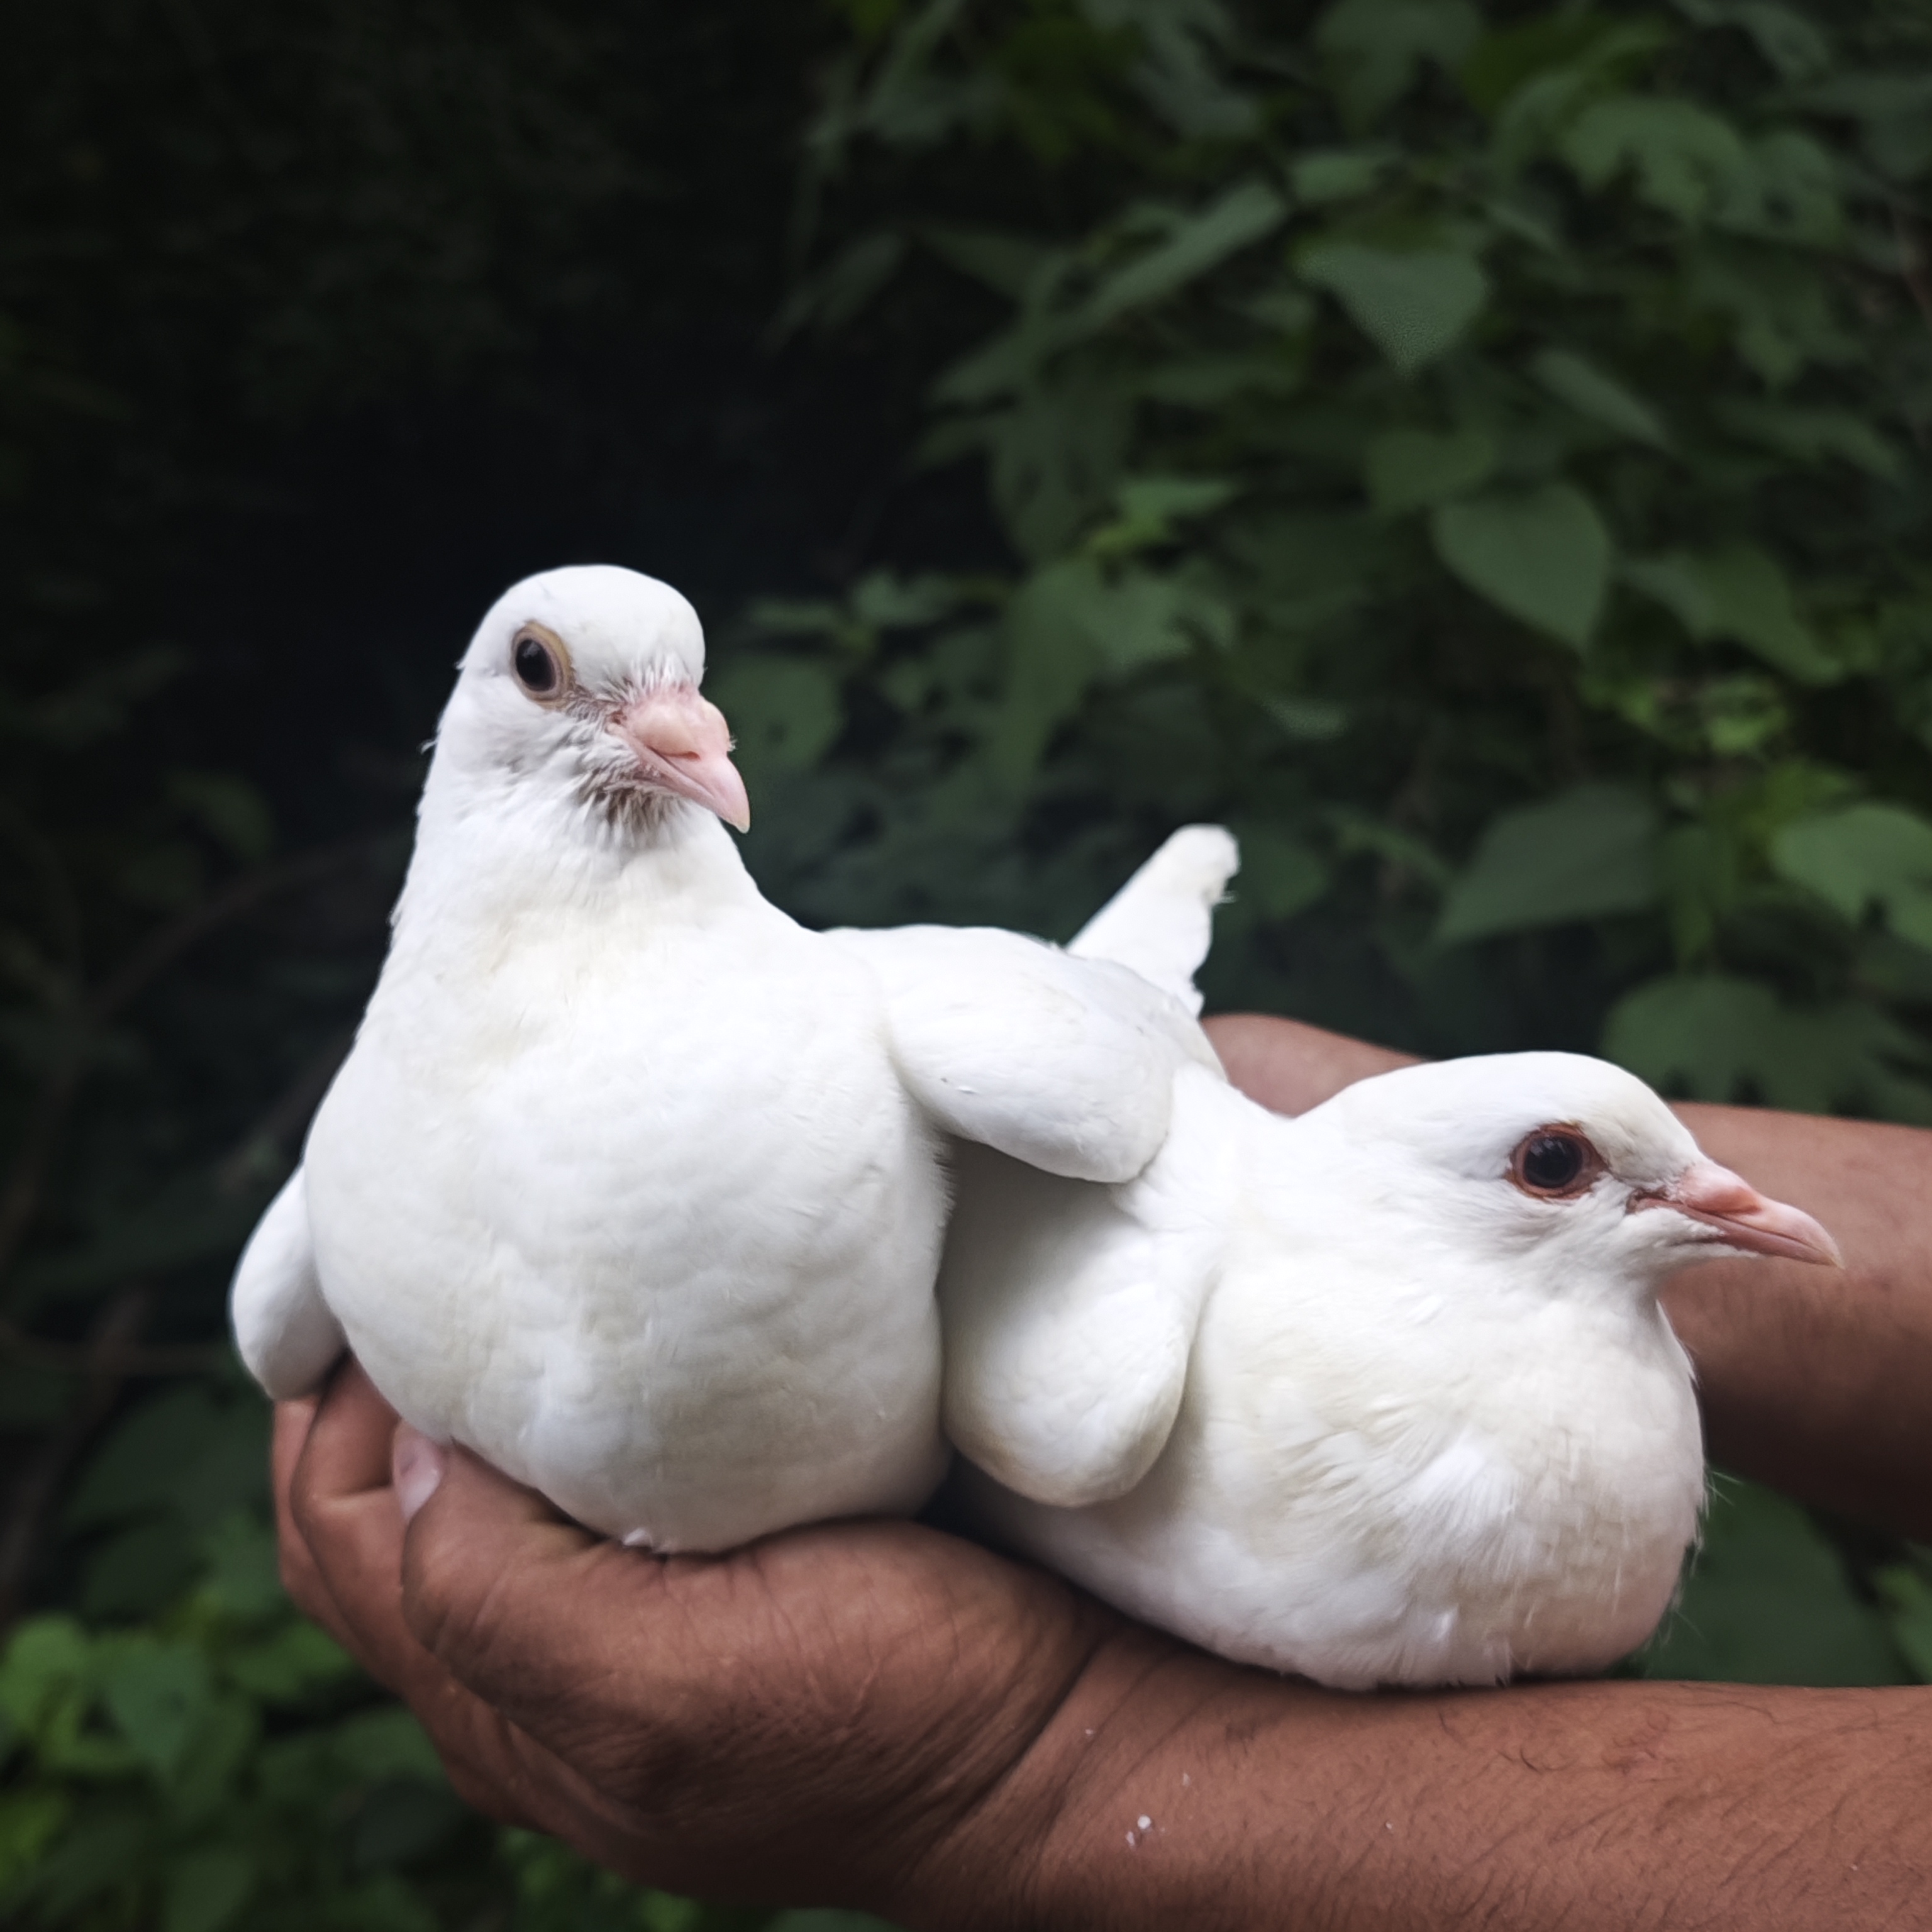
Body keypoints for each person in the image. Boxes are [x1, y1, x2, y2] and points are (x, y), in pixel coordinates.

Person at [274, 1014, 1932, 1929]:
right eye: (1564, 1169)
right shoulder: (1138, 1357)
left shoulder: (1621, 1383)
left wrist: (1027, 1771)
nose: (1733, 1208)